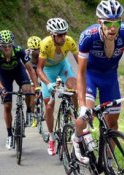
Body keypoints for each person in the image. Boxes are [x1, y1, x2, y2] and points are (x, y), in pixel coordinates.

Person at [73, 0, 124, 164]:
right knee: (85, 116)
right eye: (107, 23)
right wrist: (81, 104)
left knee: (113, 124)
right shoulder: (88, 36)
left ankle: (108, 162)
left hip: (110, 78)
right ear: (99, 22)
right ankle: (77, 137)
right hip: (90, 77)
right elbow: (80, 72)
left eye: (116, 22)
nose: (112, 27)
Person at [36, 18, 78, 156]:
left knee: (74, 89)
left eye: (64, 33)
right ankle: (52, 137)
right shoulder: (45, 44)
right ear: (52, 35)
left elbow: (81, 63)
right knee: (49, 105)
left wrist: (87, 78)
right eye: (59, 35)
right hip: (48, 71)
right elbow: (39, 69)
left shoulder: (69, 41)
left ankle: (78, 118)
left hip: (63, 66)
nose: (63, 37)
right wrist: (48, 84)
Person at [0, 30, 38, 150]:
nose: (7, 48)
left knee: (27, 90)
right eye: (4, 46)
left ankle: (28, 112)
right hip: (5, 76)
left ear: (12, 44)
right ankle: (10, 135)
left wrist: (36, 86)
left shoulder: (19, 51)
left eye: (9, 45)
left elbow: (30, 69)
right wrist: (1, 89)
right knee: (7, 106)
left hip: (19, 72)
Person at [25, 36, 42, 127]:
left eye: (39, 49)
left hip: (39, 67)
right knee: (31, 90)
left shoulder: (43, 52)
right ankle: (31, 114)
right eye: (34, 49)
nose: (37, 51)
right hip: (29, 69)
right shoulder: (26, 54)